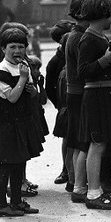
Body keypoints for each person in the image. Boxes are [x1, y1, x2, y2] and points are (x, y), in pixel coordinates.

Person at [0, 27, 44, 217]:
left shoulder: (23, 65)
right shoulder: (0, 72)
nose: (17, 51)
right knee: (7, 164)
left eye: (21, 47)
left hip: (22, 122)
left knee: (20, 163)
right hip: (6, 125)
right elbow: (13, 98)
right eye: (12, 47)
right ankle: (0, 205)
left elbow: (32, 94)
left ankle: (16, 202)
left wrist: (33, 89)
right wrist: (23, 79)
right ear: (3, 49)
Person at [77, 0, 111, 210]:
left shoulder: (101, 38)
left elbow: (106, 65)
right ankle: (94, 193)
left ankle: (86, 190)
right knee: (97, 144)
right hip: (98, 97)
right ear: (103, 15)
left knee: (98, 144)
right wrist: (106, 60)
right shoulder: (88, 39)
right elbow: (83, 72)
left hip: (104, 96)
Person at [64, 0, 91, 203]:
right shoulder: (79, 37)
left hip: (74, 92)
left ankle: (75, 181)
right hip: (79, 93)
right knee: (81, 141)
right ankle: (77, 183)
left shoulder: (75, 34)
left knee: (77, 139)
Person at [45, 19, 75, 185]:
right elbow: (49, 87)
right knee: (67, 138)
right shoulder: (55, 62)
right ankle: (65, 169)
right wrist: (59, 105)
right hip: (65, 105)